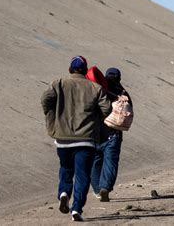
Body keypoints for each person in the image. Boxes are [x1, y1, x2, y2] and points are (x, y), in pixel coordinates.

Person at [41, 56, 111, 221]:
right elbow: (106, 108)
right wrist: (95, 119)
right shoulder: (95, 88)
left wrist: (53, 115)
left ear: (70, 69)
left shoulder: (58, 83)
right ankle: (76, 208)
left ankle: (64, 193)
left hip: (63, 139)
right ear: (86, 71)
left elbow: (45, 100)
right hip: (86, 139)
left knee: (65, 169)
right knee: (82, 175)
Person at [90, 67, 132, 202]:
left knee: (94, 162)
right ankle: (105, 188)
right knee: (110, 162)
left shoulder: (98, 90)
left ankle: (97, 189)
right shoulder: (123, 93)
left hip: (96, 133)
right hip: (114, 134)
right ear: (119, 78)